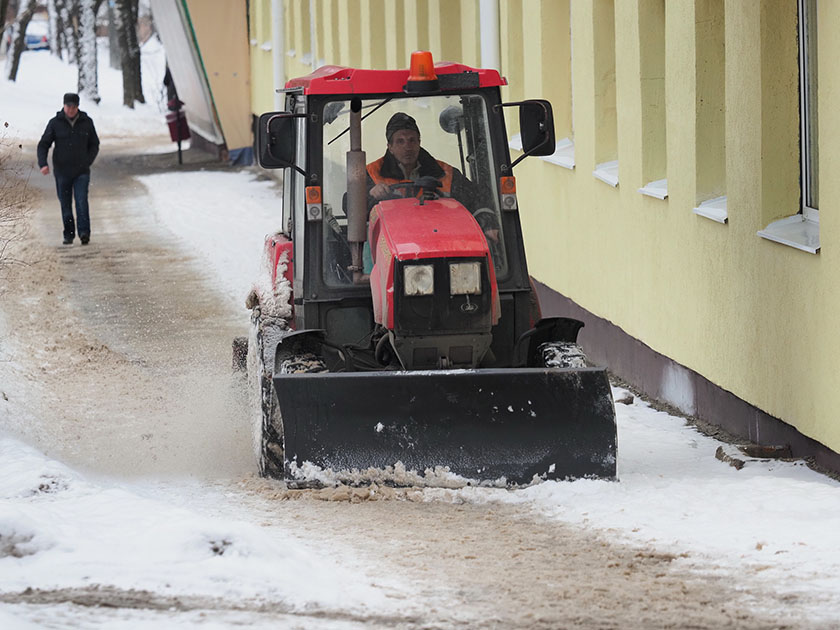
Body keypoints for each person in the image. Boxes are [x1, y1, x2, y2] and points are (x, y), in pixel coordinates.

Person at [37, 92, 100, 245]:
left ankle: (84, 233)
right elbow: (43, 144)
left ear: (78, 107)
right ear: (64, 106)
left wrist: (87, 161)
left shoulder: (86, 122)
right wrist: (43, 163)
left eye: (74, 107)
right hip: (62, 172)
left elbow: (94, 144)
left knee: (81, 201)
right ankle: (69, 234)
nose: (71, 109)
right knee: (65, 204)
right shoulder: (55, 123)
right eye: (68, 106)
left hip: (81, 171)